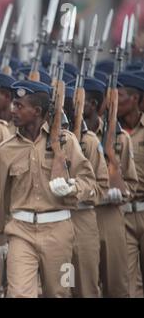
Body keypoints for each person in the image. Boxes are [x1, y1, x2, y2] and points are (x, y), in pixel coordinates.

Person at [0, 80, 96, 298]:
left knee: (58, 293)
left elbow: (89, 182)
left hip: (58, 230)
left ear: (37, 111)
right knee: (18, 293)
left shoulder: (66, 142)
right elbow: (2, 196)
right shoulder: (6, 150)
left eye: (19, 106)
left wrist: (72, 187)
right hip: (20, 231)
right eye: (13, 104)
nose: (13, 110)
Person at [83, 77, 139, 297]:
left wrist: (121, 193)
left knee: (116, 284)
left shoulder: (119, 138)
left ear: (95, 104)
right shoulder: (71, 138)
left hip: (110, 218)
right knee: (83, 287)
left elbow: (131, 184)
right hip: (83, 215)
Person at [64, 84, 109, 297]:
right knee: (59, 288)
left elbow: (100, 186)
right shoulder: (48, 142)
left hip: (82, 219)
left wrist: (76, 189)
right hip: (55, 222)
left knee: (85, 287)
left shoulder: (89, 141)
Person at [116, 73, 144, 298]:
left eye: (121, 95)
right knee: (129, 285)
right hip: (124, 214)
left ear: (135, 99)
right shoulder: (113, 132)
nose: (115, 99)